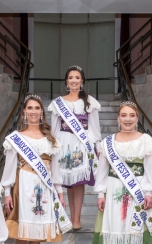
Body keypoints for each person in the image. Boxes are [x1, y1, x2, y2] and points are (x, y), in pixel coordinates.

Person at [3, 94, 70, 244]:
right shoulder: (15, 138)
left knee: (37, 236)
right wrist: (7, 192)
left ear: (42, 112)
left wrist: (60, 192)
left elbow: (55, 168)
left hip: (45, 188)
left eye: (37, 108)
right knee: (24, 234)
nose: (33, 111)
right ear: (24, 112)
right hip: (23, 185)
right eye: (30, 108)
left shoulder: (50, 139)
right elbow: (9, 168)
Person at [93, 101, 152, 244]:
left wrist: (148, 192)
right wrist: (100, 193)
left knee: (134, 234)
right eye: (124, 115)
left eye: (131, 115)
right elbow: (102, 171)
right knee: (121, 233)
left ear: (137, 118)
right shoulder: (108, 143)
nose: (128, 119)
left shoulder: (146, 140)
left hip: (138, 191)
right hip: (114, 191)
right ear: (118, 118)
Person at [48, 65, 102, 230]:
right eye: (71, 77)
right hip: (64, 143)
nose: (74, 80)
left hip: (81, 144)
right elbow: (54, 128)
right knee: (67, 182)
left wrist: (96, 145)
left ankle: (77, 218)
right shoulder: (58, 103)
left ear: (82, 81)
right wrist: (52, 147)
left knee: (78, 182)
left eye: (77, 78)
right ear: (66, 81)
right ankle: (70, 217)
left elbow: (94, 127)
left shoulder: (90, 102)